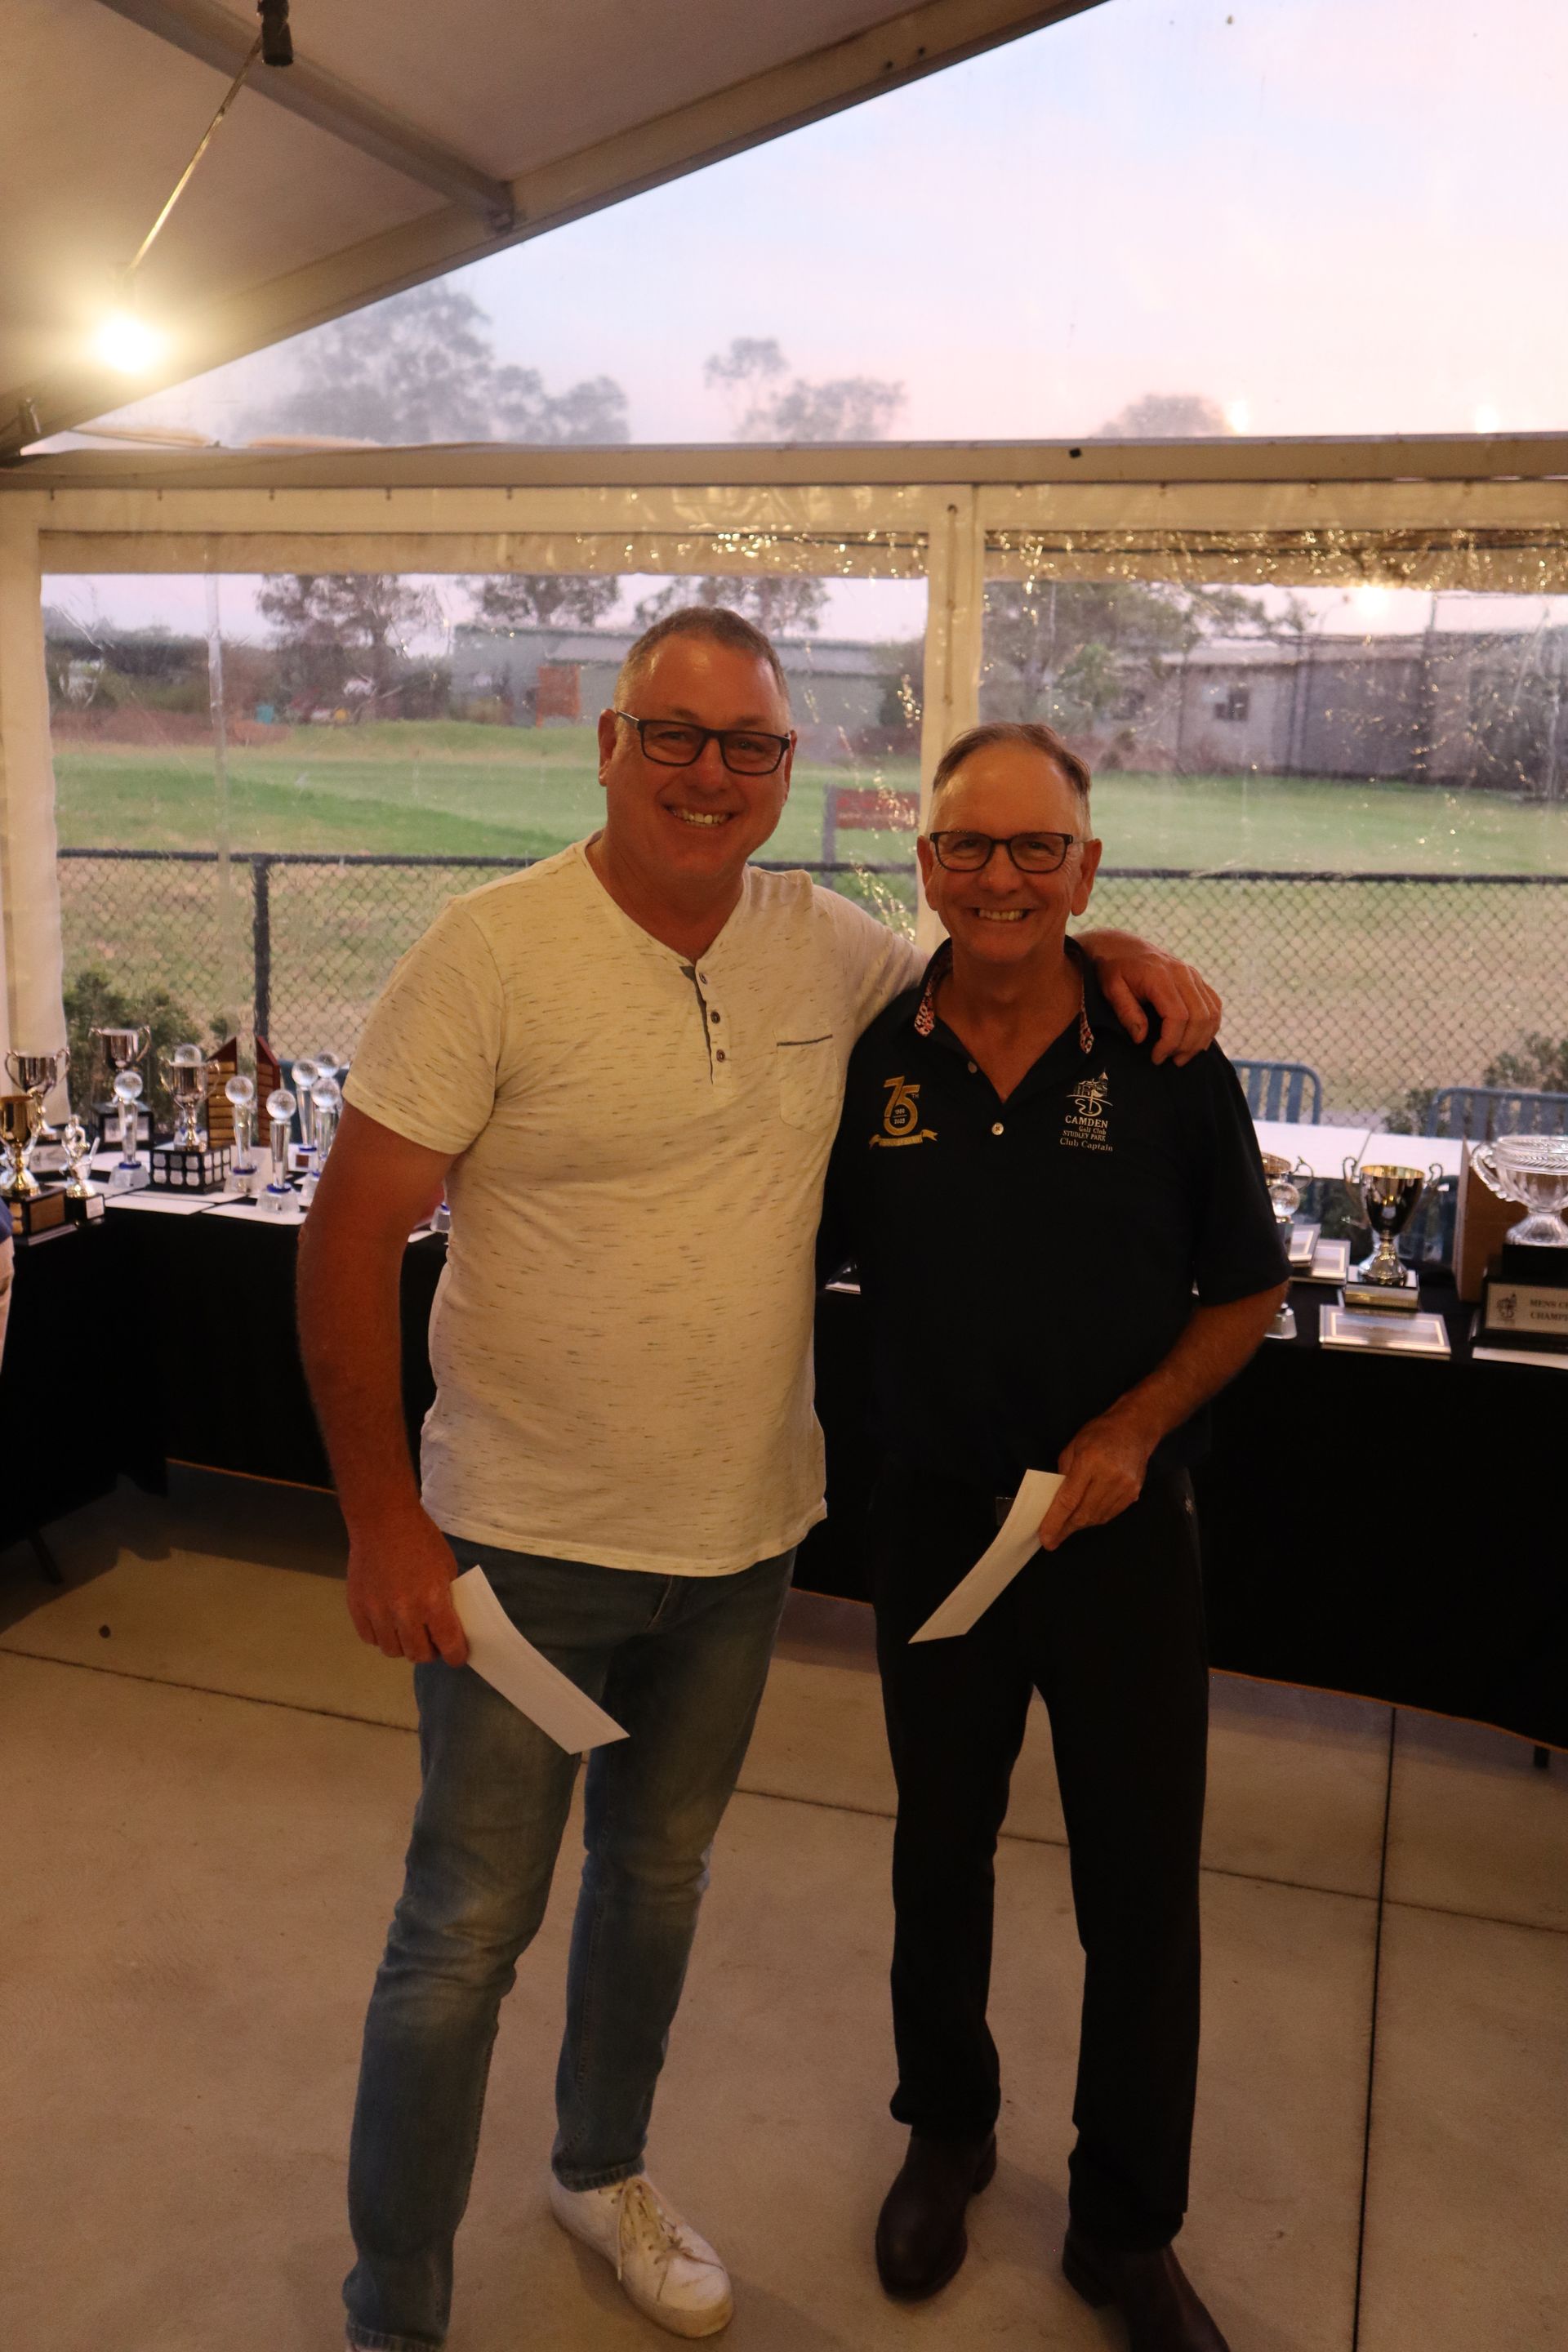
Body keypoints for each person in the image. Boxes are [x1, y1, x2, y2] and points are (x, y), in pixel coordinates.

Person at [297, 610, 1223, 2352]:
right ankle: (393, 2311)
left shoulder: (828, 950)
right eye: (675, 734)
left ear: (789, 771)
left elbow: (993, 951)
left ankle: (600, 2169)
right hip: (518, 1552)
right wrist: (380, 1520)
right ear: (608, 745)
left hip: (738, 1547)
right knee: (462, 1935)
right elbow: (347, 1239)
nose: (710, 775)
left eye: (751, 746)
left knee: (656, 1887)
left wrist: (1109, 944)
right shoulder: (489, 954)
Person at [820, 721, 1289, 2352]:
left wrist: (1135, 1428)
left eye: (1038, 850)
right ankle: (947, 2133)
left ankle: (1123, 2228)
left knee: (1140, 1893)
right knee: (938, 1851)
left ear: (1085, 871)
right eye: (970, 846)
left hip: (1120, 1544)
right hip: (936, 1528)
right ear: (927, 863)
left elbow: (1247, 1292)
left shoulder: (1168, 1059)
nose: (1002, 877)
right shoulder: (874, 1061)